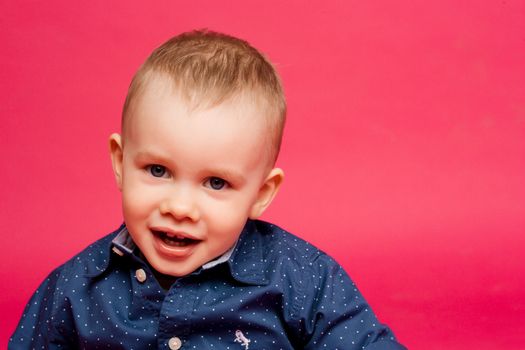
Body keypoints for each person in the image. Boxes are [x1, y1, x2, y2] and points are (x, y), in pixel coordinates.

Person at [10, 30, 406, 349]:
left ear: (261, 194)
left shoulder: (303, 279)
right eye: (158, 170)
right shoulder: (76, 287)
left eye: (216, 183)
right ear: (120, 162)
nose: (180, 207)